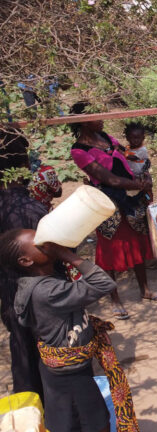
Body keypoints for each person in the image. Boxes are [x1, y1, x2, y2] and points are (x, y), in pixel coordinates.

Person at [5, 229, 139, 432]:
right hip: (70, 377)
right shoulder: (46, 291)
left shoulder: (44, 281)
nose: (46, 241)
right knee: (96, 424)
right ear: (25, 261)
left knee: (70, 423)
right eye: (39, 243)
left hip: (64, 372)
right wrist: (64, 252)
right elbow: (103, 283)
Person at [68, 102, 157, 320]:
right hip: (107, 203)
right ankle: (115, 298)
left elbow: (126, 154)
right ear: (82, 121)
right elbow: (106, 178)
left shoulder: (106, 137)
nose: (102, 119)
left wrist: (142, 166)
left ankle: (145, 290)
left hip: (130, 199)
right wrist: (139, 185)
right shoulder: (79, 151)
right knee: (109, 249)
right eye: (96, 116)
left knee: (137, 241)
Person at [0, 129, 46, 399]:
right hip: (40, 293)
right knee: (48, 354)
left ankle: (29, 410)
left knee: (21, 350)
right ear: (25, 165)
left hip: (8, 292)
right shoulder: (32, 208)